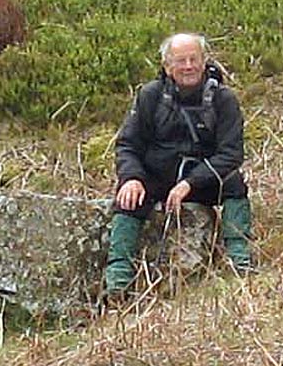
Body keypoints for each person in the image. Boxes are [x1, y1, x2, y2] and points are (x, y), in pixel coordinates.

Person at [105, 33, 252, 295]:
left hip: (202, 180)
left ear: (204, 61)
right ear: (167, 66)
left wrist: (189, 183)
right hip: (157, 177)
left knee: (233, 183)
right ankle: (118, 281)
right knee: (127, 197)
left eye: (194, 59)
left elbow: (231, 154)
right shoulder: (149, 96)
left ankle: (240, 263)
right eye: (181, 60)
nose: (188, 66)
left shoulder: (224, 99)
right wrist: (131, 178)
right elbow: (128, 144)